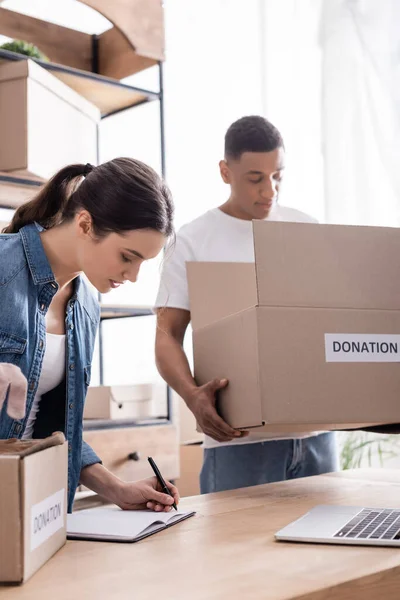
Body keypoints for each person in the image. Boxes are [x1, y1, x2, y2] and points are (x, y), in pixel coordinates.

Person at [155, 115, 338, 494]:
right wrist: (192, 397)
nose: (269, 191)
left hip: (317, 438)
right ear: (226, 171)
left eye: (278, 176)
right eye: (255, 178)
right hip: (238, 442)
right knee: (235, 553)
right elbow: (167, 335)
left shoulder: (307, 229)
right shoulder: (191, 241)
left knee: (325, 552)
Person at [0, 158, 179, 513]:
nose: (133, 276)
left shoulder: (86, 305)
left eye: (144, 262)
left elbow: (60, 426)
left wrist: (117, 489)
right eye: (128, 256)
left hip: (35, 507)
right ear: (85, 223)